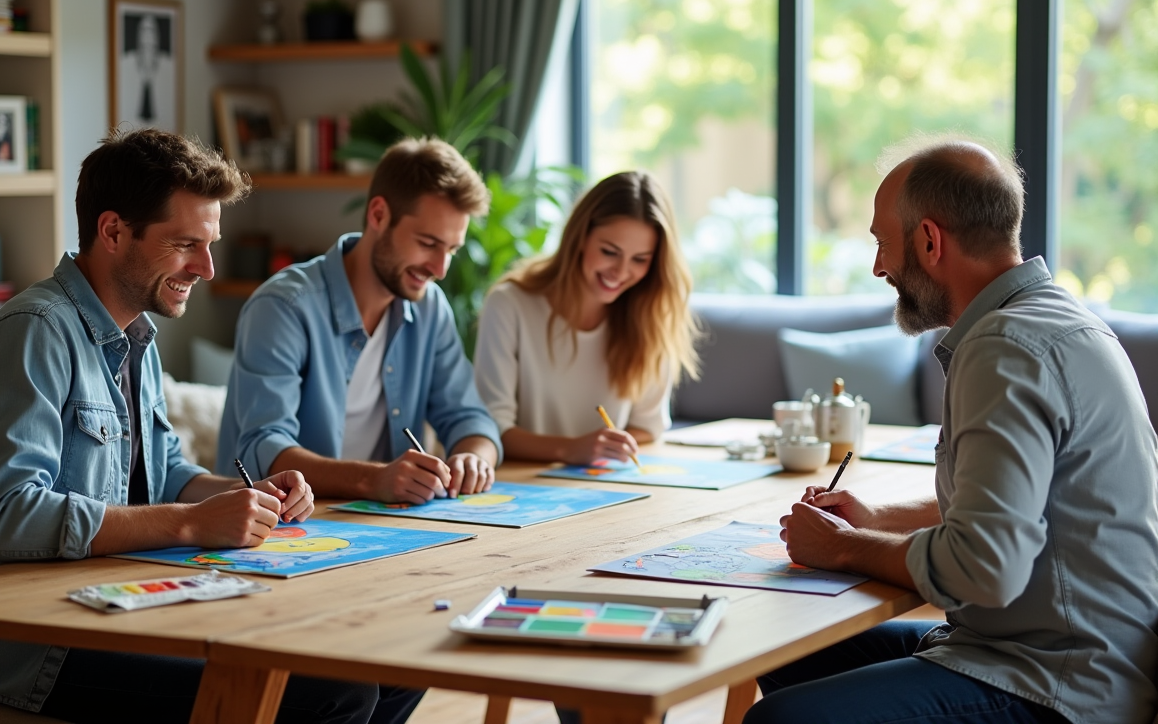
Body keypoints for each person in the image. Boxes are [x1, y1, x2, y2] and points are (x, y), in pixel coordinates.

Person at [0, 129, 421, 723]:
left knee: (390, 659)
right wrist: (191, 523)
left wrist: (242, 495)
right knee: (338, 693)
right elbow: (8, 517)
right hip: (43, 647)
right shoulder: (34, 333)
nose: (204, 267)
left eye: (209, 244)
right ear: (113, 231)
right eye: (184, 244)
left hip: (130, 605)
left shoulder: (137, 339)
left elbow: (167, 470)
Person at [746, 135, 1158, 724]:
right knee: (786, 644)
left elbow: (986, 566)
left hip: (1056, 682)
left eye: (883, 244)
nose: (879, 266)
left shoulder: (1004, 348)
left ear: (930, 240)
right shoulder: (1061, 321)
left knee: (782, 719)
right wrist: (876, 517)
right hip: (1050, 654)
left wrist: (840, 547)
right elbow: (1013, 507)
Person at [218, 136, 501, 504]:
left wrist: (474, 459)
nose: (440, 269)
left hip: (382, 525)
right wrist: (375, 480)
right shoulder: (283, 307)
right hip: (274, 528)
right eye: (428, 243)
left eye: (451, 249)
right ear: (378, 215)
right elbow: (265, 449)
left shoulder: (430, 307)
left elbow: (469, 417)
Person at [475, 171, 700, 466]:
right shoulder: (509, 304)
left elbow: (647, 426)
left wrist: (604, 447)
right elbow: (492, 429)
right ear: (580, 236)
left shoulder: (650, 315)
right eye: (609, 252)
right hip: (523, 485)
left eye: (640, 259)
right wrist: (570, 449)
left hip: (602, 485)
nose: (620, 272)